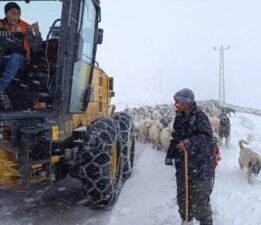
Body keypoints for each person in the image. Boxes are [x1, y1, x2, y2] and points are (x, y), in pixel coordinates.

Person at [165, 88, 214, 225]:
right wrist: (170, 154)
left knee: (200, 201)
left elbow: (207, 137)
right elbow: (175, 137)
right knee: (183, 198)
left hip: (200, 166)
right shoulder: (179, 117)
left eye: (178, 102)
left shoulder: (200, 116)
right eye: (176, 102)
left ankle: (205, 222)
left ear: (187, 103)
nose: (176, 104)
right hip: (183, 166)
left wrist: (189, 143)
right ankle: (186, 220)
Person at [0, 2, 42, 93]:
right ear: (6, 13)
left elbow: (36, 47)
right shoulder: (0, 24)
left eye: (18, 14)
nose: (16, 16)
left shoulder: (26, 27)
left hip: (20, 60)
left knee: (15, 57)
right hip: (2, 58)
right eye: (12, 13)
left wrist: (37, 33)